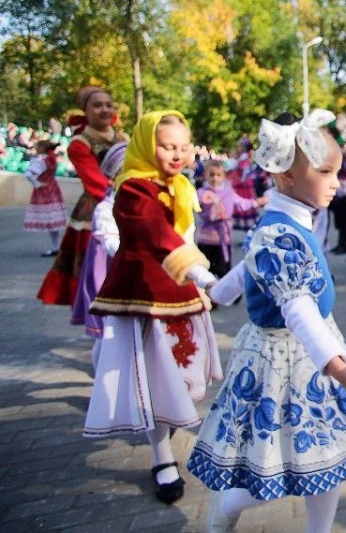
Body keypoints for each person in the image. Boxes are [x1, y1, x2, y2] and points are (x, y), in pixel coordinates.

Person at [188, 109, 346, 533]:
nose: (337, 182)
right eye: (326, 171)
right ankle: (227, 504)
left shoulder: (286, 223)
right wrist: (339, 368)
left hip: (313, 350)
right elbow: (297, 307)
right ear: (286, 176)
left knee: (329, 456)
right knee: (279, 460)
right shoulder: (279, 233)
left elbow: (245, 268)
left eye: (338, 171)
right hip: (284, 359)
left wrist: (216, 291)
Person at [83, 111, 222, 506]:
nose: (177, 155)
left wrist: (197, 277)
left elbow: (183, 235)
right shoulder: (133, 189)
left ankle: (166, 429)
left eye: (183, 147)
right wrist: (201, 273)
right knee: (154, 377)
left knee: (182, 373)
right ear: (147, 145)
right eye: (167, 147)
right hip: (145, 295)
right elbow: (155, 232)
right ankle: (162, 457)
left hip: (179, 290)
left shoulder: (180, 186)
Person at [38, 86, 128, 306]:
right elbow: (94, 181)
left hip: (126, 203)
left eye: (108, 105)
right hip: (96, 209)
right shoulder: (80, 143)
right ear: (85, 110)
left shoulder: (123, 138)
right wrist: (128, 193)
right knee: (98, 269)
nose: (104, 110)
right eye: (97, 105)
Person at [70, 142, 127, 363]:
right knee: (105, 334)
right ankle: (100, 375)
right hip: (106, 277)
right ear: (113, 179)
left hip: (125, 274)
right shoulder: (106, 209)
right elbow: (111, 243)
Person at [196, 159, 266, 278]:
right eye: (211, 175)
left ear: (224, 176)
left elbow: (241, 203)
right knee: (204, 270)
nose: (215, 178)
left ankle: (222, 289)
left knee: (223, 270)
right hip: (206, 238)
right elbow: (197, 201)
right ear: (205, 175)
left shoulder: (229, 193)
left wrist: (257, 202)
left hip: (224, 238)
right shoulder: (202, 192)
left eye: (218, 175)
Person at [23, 139, 67, 256]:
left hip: (45, 190)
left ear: (42, 148)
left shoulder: (41, 160)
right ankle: (55, 246)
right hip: (53, 188)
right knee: (53, 219)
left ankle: (55, 246)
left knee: (50, 219)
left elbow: (28, 174)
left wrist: (37, 184)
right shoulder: (50, 159)